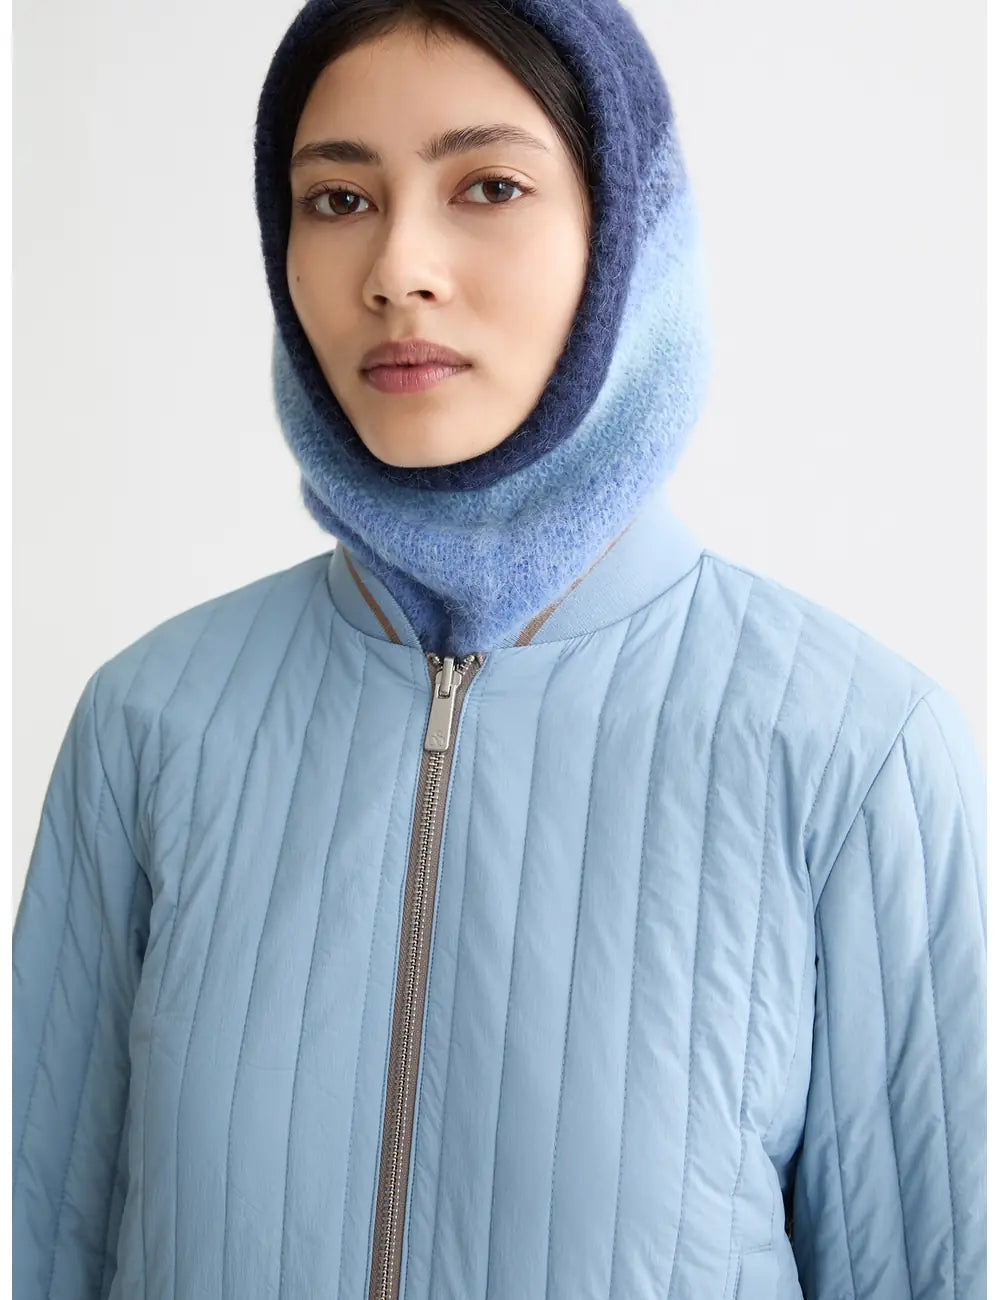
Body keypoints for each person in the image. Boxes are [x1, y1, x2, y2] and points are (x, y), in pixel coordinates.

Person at [12, 0, 986, 1296]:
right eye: (338, 200)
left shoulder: (855, 753)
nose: (398, 268)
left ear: (629, 233)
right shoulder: (149, 724)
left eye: (489, 186)